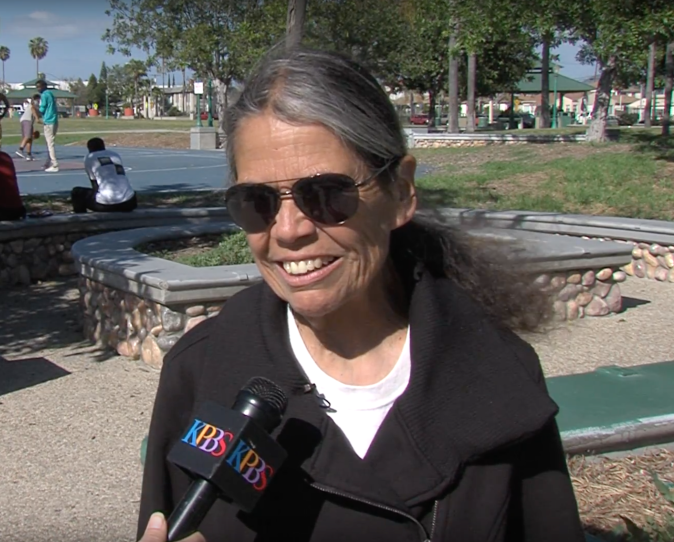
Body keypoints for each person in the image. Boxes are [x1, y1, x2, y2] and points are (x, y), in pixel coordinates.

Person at [136, 47, 585, 542]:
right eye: (257, 201)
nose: (288, 230)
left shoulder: (498, 376)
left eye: (326, 194)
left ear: (400, 192)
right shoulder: (201, 373)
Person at [77, 137, 137, 212]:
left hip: (107, 205)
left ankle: (81, 219)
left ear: (89, 148)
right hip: (130, 202)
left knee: (77, 192)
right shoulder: (115, 155)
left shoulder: (89, 158)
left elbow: (94, 183)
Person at [36, 79, 59, 172]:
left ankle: (54, 164)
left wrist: (35, 107)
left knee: (50, 143)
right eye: (37, 87)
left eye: (39, 87)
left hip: (48, 121)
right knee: (50, 141)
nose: (38, 89)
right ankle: (48, 161)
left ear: (44, 86)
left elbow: (42, 109)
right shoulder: (51, 94)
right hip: (54, 120)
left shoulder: (44, 95)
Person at [16, 93, 40, 161]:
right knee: (27, 136)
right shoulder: (34, 104)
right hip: (27, 120)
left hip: (25, 120)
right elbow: (33, 109)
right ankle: (20, 150)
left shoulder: (33, 104)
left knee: (29, 139)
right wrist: (37, 118)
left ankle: (29, 155)